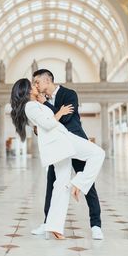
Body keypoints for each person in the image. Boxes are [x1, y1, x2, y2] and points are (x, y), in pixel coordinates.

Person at [10, 78, 105, 239]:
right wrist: (59, 112)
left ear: (47, 80)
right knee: (98, 153)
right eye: (32, 85)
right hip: (62, 141)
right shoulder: (30, 106)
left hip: (62, 139)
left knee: (61, 184)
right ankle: (78, 184)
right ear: (26, 91)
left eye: (36, 82)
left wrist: (45, 106)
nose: (36, 86)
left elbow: (44, 124)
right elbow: (47, 124)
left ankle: (54, 226)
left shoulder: (40, 103)